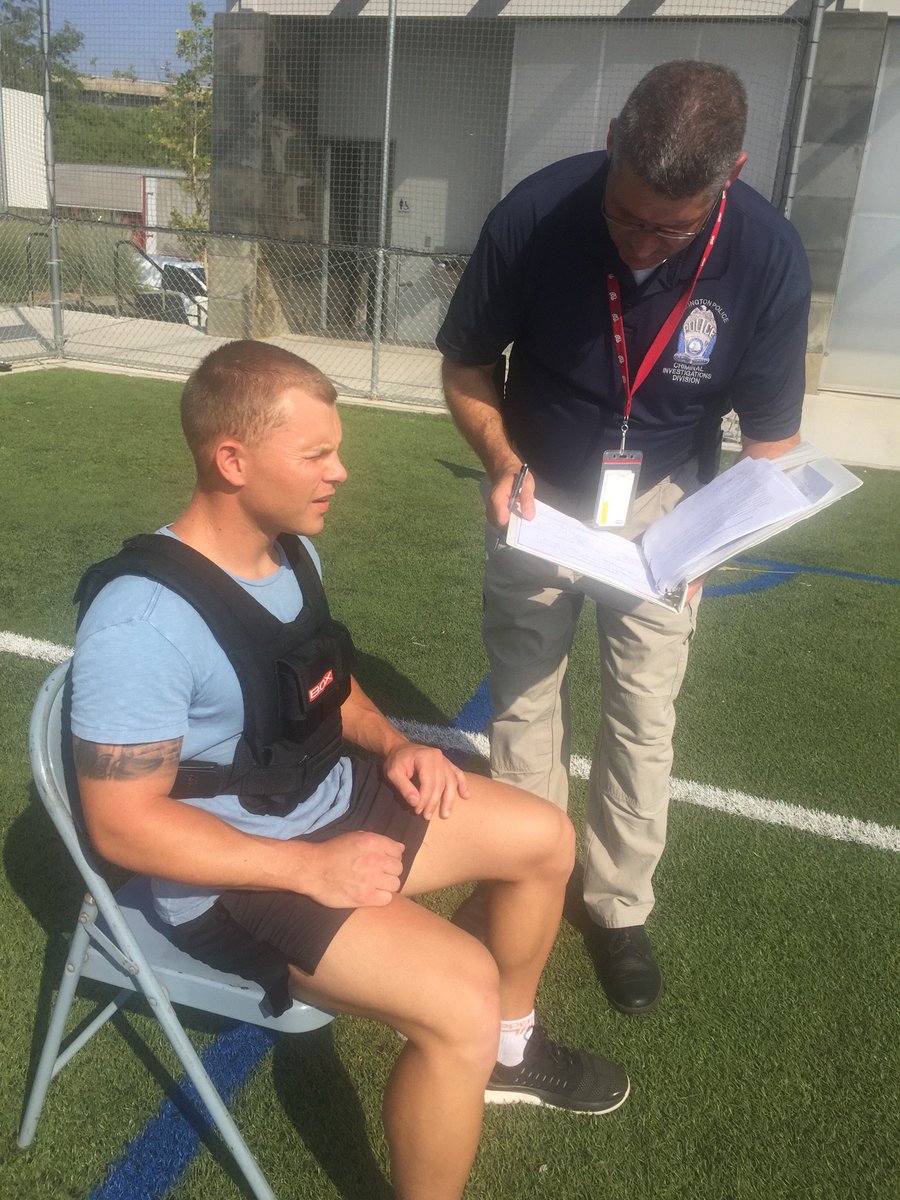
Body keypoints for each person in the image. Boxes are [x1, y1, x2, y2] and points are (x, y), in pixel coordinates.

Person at [68, 340, 629, 1200]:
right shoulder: (140, 623)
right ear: (232, 461)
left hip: (326, 798)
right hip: (231, 876)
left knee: (546, 839)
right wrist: (308, 868)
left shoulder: (290, 551)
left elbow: (325, 682)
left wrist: (394, 745)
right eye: (316, 455)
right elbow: (122, 826)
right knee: (462, 999)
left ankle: (510, 1053)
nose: (340, 473)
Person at [437, 61, 810, 1015]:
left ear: (731, 175)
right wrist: (499, 459)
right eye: (625, 215)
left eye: (669, 230)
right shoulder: (535, 214)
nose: (640, 244)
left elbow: (771, 446)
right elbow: (467, 365)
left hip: (666, 506)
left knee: (644, 710)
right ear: (610, 142)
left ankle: (616, 907)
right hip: (536, 488)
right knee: (524, 696)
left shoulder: (769, 254)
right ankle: (525, 873)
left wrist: (710, 542)